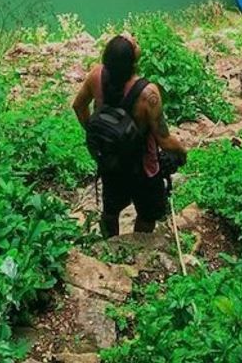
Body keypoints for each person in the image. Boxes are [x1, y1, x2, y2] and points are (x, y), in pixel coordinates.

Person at [72, 32, 187, 238]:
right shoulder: (147, 93)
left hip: (111, 159)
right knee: (147, 213)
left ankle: (111, 244)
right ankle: (139, 244)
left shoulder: (96, 75)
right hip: (143, 166)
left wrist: (96, 133)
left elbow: (78, 106)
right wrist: (182, 152)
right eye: (132, 43)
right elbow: (163, 139)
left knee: (111, 209)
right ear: (133, 62)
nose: (131, 37)